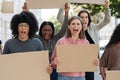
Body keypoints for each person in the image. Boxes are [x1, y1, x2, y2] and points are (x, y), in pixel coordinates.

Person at [57, 0, 111, 80]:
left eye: (86, 17)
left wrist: (106, 7)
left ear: (88, 19)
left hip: (92, 62)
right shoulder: (75, 28)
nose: (84, 19)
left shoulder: (94, 28)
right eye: (82, 17)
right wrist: (63, 8)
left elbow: (107, 20)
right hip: (79, 63)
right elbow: (60, 18)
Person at [51, 16, 99, 80]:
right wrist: (55, 62)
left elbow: (90, 62)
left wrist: (95, 62)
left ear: (81, 26)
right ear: (68, 26)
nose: (75, 26)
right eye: (73, 24)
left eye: (78, 24)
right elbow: (52, 61)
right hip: (63, 77)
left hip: (80, 77)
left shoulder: (86, 43)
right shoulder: (61, 42)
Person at [36, 3, 70, 80]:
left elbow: (64, 28)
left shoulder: (56, 38)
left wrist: (66, 13)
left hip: (54, 69)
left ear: (52, 31)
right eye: (44, 30)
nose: (47, 32)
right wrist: (26, 12)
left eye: (49, 30)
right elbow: (29, 28)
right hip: (40, 69)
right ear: (41, 30)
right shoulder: (37, 39)